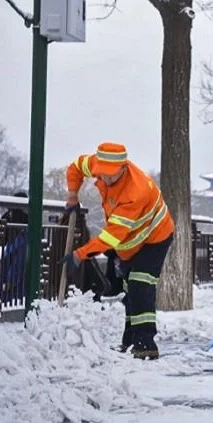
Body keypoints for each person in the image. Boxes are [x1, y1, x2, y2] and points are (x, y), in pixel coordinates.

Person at [60, 142, 174, 360]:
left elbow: (111, 236)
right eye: (103, 175)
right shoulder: (95, 164)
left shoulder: (136, 191)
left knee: (140, 283)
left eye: (112, 175)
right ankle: (130, 342)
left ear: (123, 167)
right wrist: (73, 195)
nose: (107, 179)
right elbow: (74, 167)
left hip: (155, 236)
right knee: (129, 287)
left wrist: (80, 254)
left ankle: (145, 345)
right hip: (130, 241)